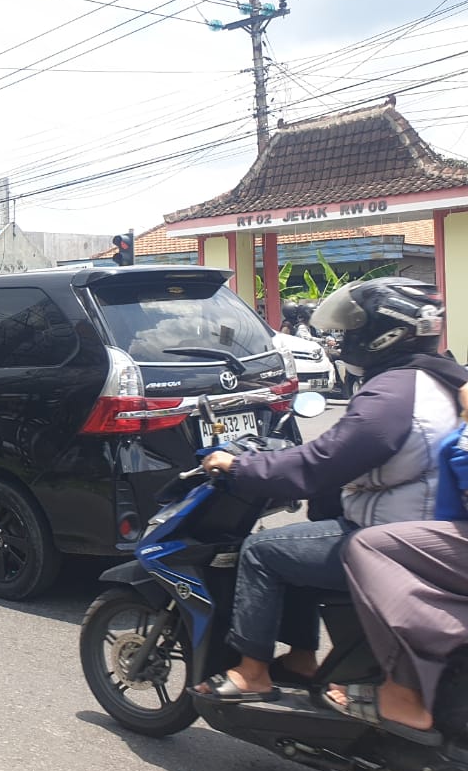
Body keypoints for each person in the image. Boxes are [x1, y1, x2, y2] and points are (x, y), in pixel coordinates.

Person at [194, 278, 466, 702]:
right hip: (427, 530)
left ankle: (252, 674)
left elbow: (320, 462)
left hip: (393, 541)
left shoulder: (393, 394)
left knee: (263, 552)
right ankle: (303, 658)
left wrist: (241, 467)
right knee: (311, 526)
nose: (344, 337)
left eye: (354, 326)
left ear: (385, 331)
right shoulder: (442, 377)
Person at [325, 385, 468, 743]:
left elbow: (328, 458)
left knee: (369, 546)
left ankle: (404, 693)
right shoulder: (436, 382)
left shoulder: (413, 391)